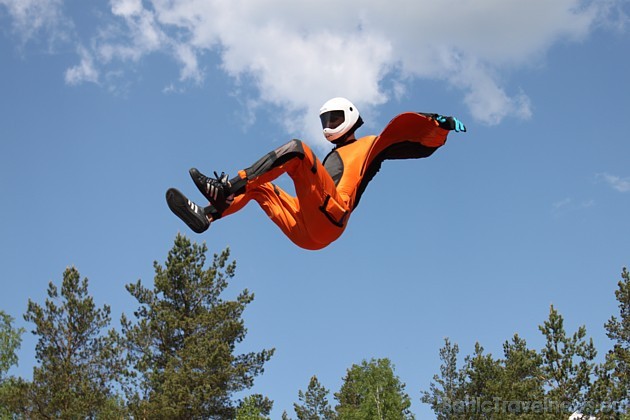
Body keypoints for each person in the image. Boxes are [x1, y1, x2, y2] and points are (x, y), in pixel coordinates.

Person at [166, 97, 466, 250]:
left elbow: (409, 144)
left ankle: (227, 186)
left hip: (331, 216)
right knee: (261, 189)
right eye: (325, 118)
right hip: (307, 232)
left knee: (297, 149)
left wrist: (438, 123)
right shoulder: (330, 158)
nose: (329, 123)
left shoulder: (370, 145)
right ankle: (207, 215)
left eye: (334, 117)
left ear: (350, 117)